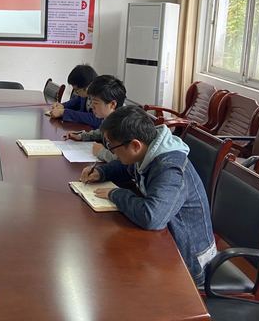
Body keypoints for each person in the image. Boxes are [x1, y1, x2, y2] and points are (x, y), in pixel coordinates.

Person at [82, 106, 216, 286]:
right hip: (166, 241)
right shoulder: (149, 150)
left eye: (112, 147)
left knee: (123, 280)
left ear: (135, 145)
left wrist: (116, 194)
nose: (112, 153)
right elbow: (127, 167)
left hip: (189, 261)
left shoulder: (170, 169)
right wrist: (102, 172)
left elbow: (152, 217)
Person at [65, 75, 127, 166]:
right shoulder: (109, 118)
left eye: (95, 103)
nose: (91, 106)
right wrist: (82, 136)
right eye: (91, 101)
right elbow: (101, 132)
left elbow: (124, 161)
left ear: (112, 104)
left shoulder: (124, 126)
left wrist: (101, 152)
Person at [49, 64, 99, 128]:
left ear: (87, 87)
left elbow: (95, 119)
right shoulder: (85, 93)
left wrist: (64, 112)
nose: (75, 93)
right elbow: (78, 101)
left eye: (77, 90)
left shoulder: (101, 97)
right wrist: (62, 106)